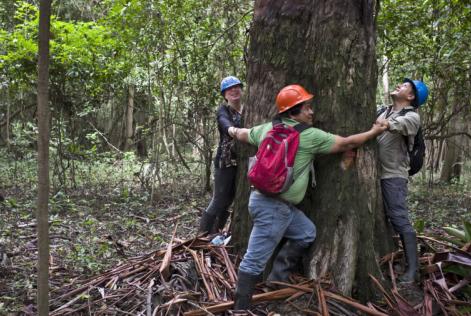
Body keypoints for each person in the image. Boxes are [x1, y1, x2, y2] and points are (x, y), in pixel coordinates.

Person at [228, 84, 388, 310]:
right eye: (307, 108)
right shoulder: (309, 135)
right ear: (293, 111)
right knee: (254, 259)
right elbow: (348, 142)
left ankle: (277, 280)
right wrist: (375, 132)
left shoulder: (267, 128)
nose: (312, 112)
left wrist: (231, 131)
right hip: (273, 208)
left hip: (268, 203)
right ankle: (240, 309)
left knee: (306, 232)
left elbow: (244, 134)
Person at [375, 78, 429, 283]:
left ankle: (413, 270)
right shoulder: (382, 110)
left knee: (398, 218)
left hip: (393, 175)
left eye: (405, 86)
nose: (399, 85)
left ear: (411, 96)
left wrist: (383, 123)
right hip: (374, 174)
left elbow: (393, 126)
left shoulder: (412, 116)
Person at [199, 76, 244, 234]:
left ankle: (215, 233)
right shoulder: (223, 110)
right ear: (225, 94)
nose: (234, 90)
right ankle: (202, 235)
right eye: (229, 89)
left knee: (230, 200)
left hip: (242, 162)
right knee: (219, 200)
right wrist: (233, 131)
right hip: (225, 162)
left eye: (237, 87)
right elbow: (224, 122)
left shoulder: (249, 109)